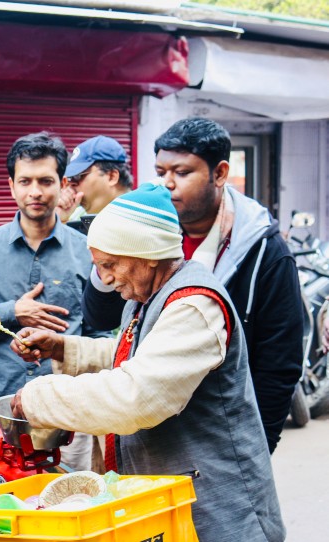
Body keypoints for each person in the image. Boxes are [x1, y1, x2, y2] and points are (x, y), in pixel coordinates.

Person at [10, 184, 284, 541]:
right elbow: (140, 355)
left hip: (219, 511)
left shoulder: (194, 306)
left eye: (110, 265)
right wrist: (64, 348)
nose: (105, 278)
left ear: (149, 254)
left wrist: (38, 398)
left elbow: (137, 396)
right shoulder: (146, 296)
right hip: (178, 503)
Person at [81, 118, 302, 454]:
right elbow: (101, 317)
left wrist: (258, 446)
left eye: (182, 172)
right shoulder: (146, 232)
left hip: (221, 436)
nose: (168, 183)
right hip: (154, 430)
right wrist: (108, 258)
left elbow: (278, 363)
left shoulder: (263, 251)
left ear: (220, 173)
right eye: (161, 172)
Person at [0, 132, 105, 470]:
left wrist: (64, 349)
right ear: (11, 186)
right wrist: (12, 312)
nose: (35, 191)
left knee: (71, 495)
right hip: (0, 415)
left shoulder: (87, 251)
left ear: (62, 184)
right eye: (25, 181)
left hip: (70, 416)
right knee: (4, 498)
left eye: (45, 181)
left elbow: (101, 335)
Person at [57, 135, 133, 224]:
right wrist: (60, 220)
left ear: (112, 177)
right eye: (70, 178)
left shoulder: (141, 217)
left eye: (78, 176)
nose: (71, 184)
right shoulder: (75, 215)